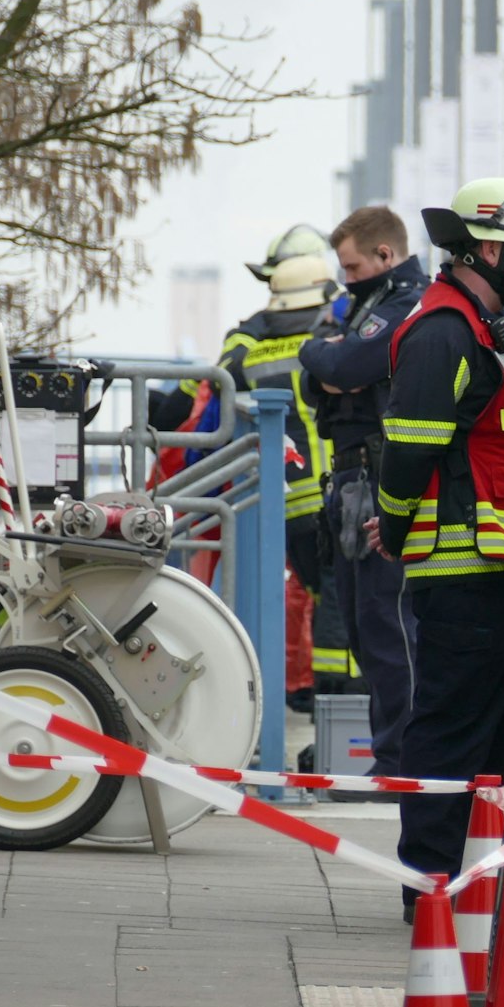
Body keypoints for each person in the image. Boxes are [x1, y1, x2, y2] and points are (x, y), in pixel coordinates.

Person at [373, 176, 504, 918]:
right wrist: (394, 530)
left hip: (502, 571)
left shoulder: (491, 334)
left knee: (485, 741)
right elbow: (408, 455)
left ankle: (461, 883)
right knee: (451, 731)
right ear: (487, 247)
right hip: (466, 574)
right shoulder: (445, 333)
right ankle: (428, 884)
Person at [296, 206, 429, 788]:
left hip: (380, 481)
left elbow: (346, 364)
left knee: (388, 624)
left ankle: (403, 761)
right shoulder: (366, 306)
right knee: (361, 627)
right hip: (351, 482)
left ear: (385, 255)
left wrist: (329, 353)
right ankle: (391, 755)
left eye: (351, 266)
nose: (345, 278)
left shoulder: (407, 304)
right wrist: (327, 357)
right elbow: (321, 374)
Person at [217, 252, 344, 703]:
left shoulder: (255, 358)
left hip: (289, 503)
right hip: (335, 495)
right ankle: (336, 695)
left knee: (318, 594)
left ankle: (321, 692)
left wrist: (248, 328)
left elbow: (222, 374)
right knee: (342, 601)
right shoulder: (329, 346)